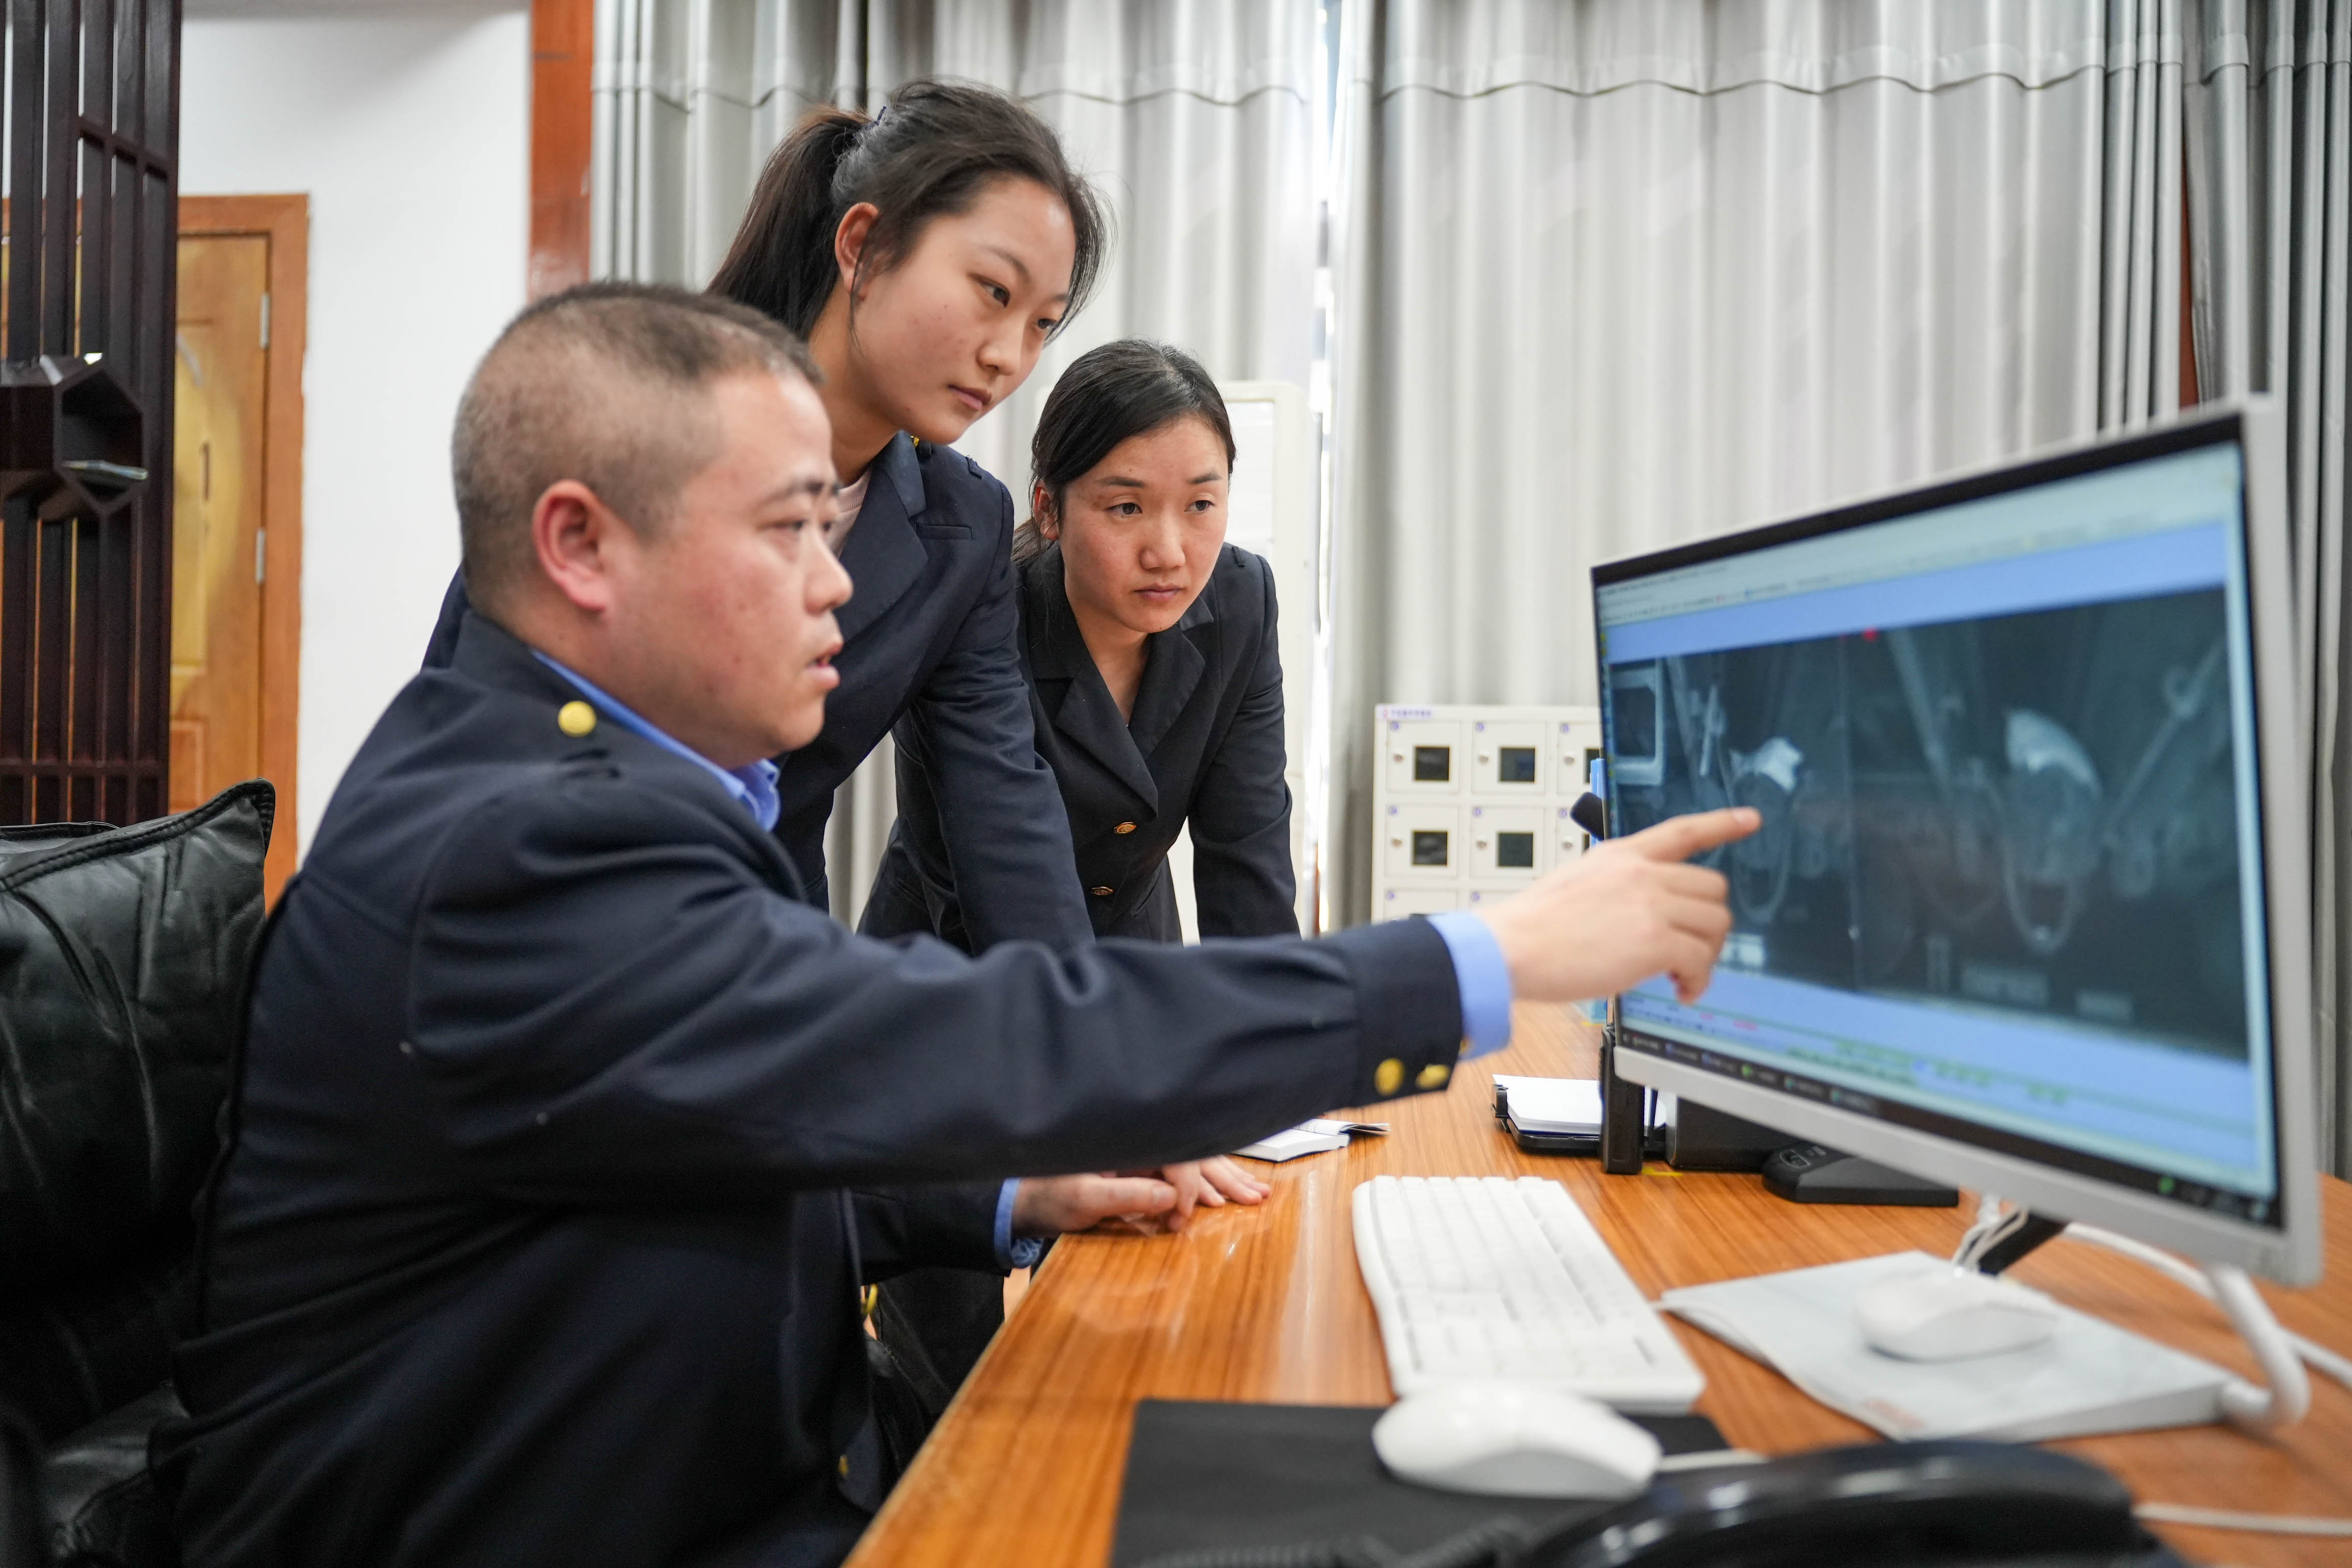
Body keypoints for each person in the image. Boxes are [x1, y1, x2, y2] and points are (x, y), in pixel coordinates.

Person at [157, 284, 1753, 1568]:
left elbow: (675, 1151)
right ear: (581, 544)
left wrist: (1007, 1188)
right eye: (790, 530)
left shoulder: (577, 781)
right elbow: (989, 1026)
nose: (839, 588)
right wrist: (1493, 957)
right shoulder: (532, 845)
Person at [419, 80, 1252, 1240]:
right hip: (564, 973)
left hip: (767, 972)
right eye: (991, 292)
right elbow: (474, 740)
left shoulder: (961, 524)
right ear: (862, 246)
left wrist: (1093, 1077)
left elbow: (1005, 812)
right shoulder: (638, 444)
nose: (1008, 355)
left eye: (1042, 323)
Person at [862, 340, 1297, 1388]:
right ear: (1050, 511)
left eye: (1202, 504)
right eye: (1125, 507)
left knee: (1140, 1289)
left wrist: (1273, 1064)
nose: (1170, 550)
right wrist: (1112, 1084)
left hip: (1132, 954)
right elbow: (1001, 868)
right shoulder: (980, 616)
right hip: (958, 976)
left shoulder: (1241, 601)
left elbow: (1248, 857)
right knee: (948, 1349)